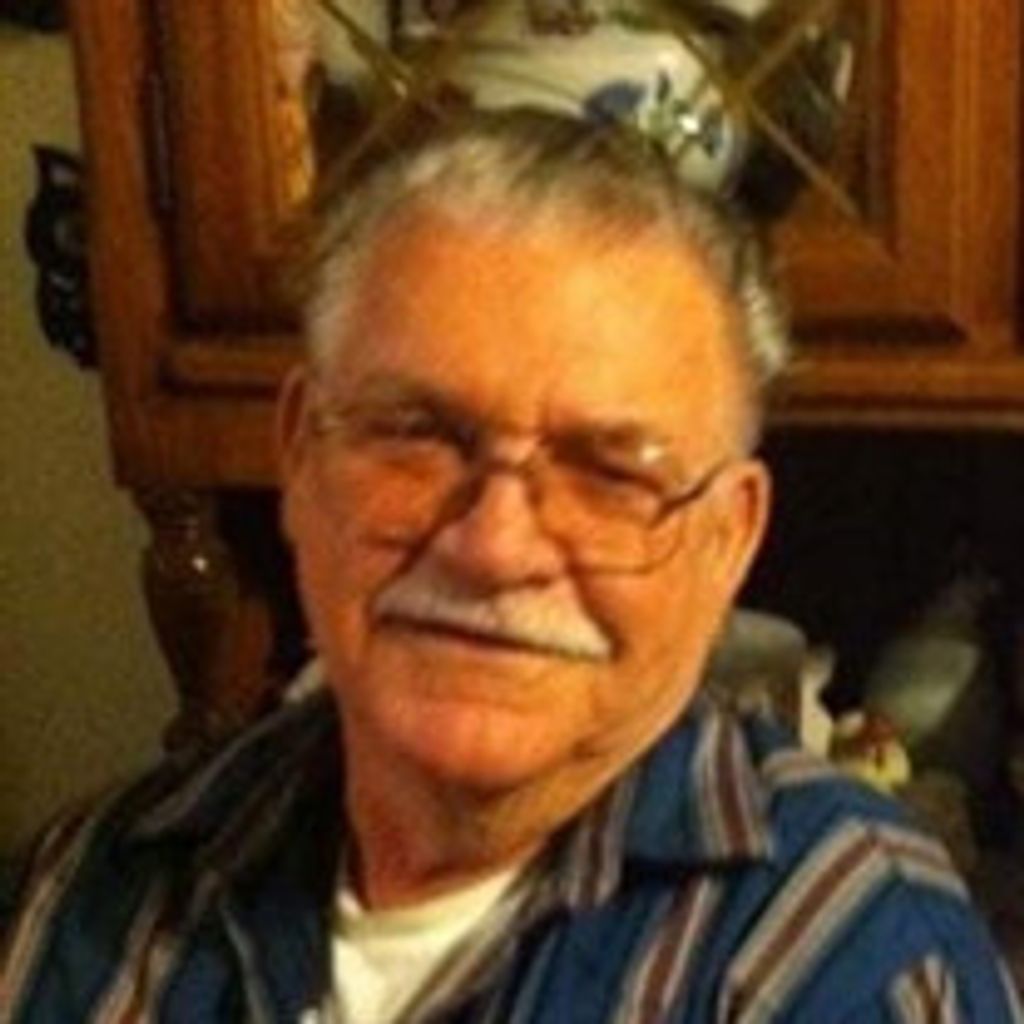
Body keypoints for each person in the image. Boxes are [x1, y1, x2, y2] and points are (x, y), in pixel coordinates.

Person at [2, 111, 1020, 1023]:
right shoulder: (85, 889)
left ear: (728, 536)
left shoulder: (851, 959)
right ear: (301, 454)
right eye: (416, 433)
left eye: (609, 473)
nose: (494, 546)